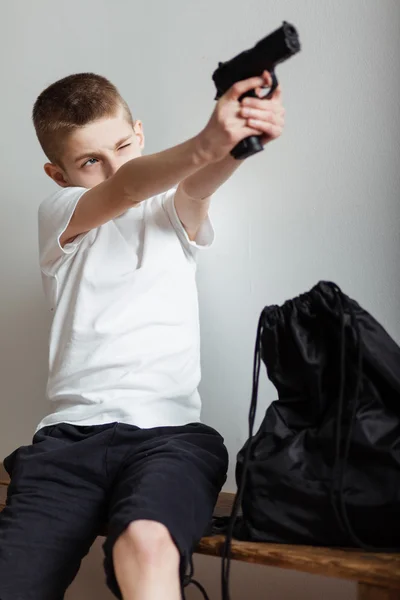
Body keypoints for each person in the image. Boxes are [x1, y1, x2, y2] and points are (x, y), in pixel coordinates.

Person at [0, 70, 284, 600]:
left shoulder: (171, 210)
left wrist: (242, 138)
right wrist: (207, 140)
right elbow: (126, 187)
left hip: (170, 438)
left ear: (139, 132)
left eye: (123, 146)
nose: (113, 167)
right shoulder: (60, 213)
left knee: (147, 547)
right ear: (57, 175)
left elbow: (198, 185)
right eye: (90, 162)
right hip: (67, 445)